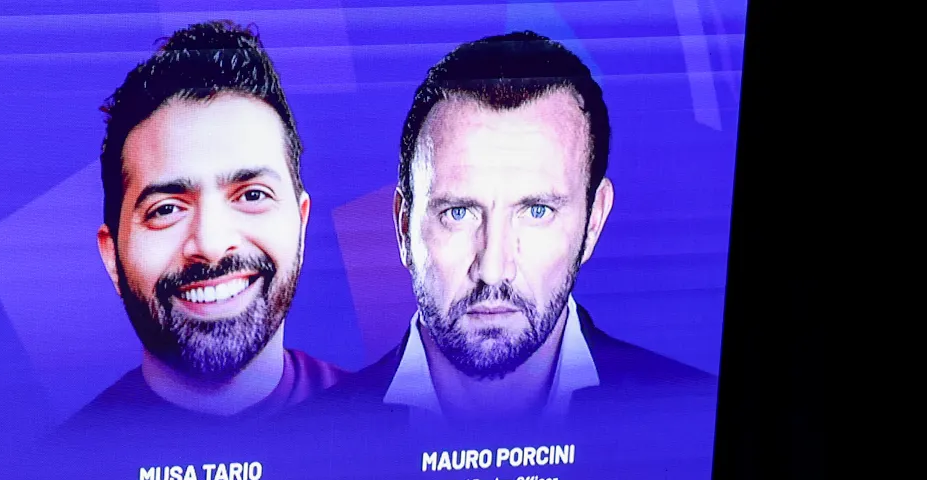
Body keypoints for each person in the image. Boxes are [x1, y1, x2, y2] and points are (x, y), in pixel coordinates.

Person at [336, 31, 709, 424]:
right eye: (459, 212)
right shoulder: (315, 432)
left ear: (594, 220)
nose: (493, 270)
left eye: (536, 211)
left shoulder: (693, 416)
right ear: (403, 226)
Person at [67, 20, 340, 433]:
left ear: (300, 223)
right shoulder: (59, 470)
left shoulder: (392, 424)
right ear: (112, 256)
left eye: (251, 196)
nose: (211, 245)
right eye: (166, 209)